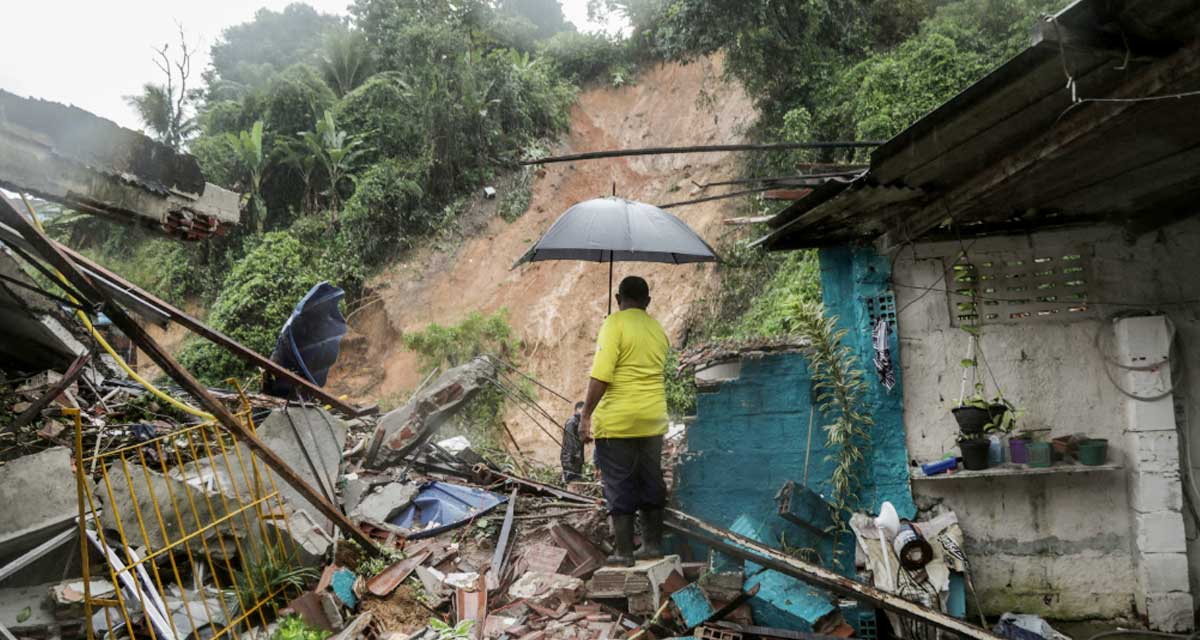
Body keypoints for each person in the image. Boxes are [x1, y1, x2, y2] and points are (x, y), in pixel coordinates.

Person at [580, 276, 669, 567]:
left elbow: (601, 375)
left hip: (619, 422)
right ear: (648, 302)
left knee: (619, 483)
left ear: (618, 299)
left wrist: (586, 415)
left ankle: (624, 552)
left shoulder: (613, 324)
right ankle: (652, 545)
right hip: (653, 419)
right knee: (650, 479)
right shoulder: (657, 328)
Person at [561, 401, 585, 483]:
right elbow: (570, 442)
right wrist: (576, 456)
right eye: (583, 409)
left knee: (577, 482)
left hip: (575, 460)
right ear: (577, 409)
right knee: (572, 483)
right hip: (570, 460)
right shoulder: (572, 422)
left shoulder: (578, 423)